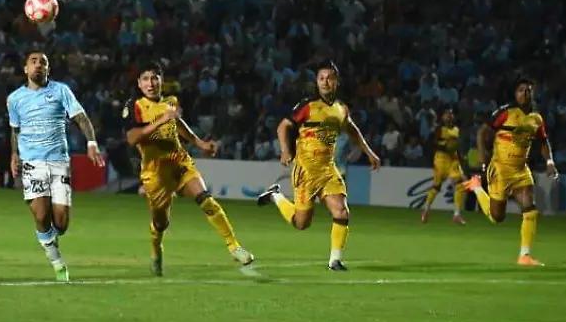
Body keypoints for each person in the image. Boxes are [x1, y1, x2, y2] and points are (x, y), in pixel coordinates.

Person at [123, 63, 254, 277]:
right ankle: (156, 249)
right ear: (139, 83)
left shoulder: (171, 102)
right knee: (161, 223)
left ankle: (234, 247)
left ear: (161, 80)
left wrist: (200, 143)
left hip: (180, 163)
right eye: (145, 79)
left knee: (206, 200)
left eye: (155, 78)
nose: (151, 83)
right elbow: (132, 138)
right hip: (155, 173)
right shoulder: (134, 106)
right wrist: (161, 120)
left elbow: (178, 123)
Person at [258, 60, 381, 271]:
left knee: (341, 212)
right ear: (316, 82)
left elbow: (353, 130)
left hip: (328, 171)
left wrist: (369, 152)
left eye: (329, 78)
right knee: (301, 223)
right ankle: (275, 195)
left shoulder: (341, 109)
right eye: (321, 78)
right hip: (305, 171)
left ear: (336, 82)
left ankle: (335, 260)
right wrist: (285, 150)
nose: (325, 82)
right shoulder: (308, 106)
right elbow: (283, 126)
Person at [7, 50, 104, 282]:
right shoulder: (14, 99)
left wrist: (92, 143)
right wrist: (14, 154)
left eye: (43, 62)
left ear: (48, 69)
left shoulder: (61, 91)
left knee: (61, 224)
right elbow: (15, 129)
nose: (38, 65)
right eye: (33, 61)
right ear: (26, 69)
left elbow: (81, 117)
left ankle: (51, 237)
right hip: (32, 163)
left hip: (59, 162)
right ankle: (57, 263)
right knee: (41, 216)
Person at [463, 77, 559, 266]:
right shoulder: (506, 112)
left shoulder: (536, 118)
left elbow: (543, 141)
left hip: (521, 170)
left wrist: (550, 162)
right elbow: (482, 132)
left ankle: (525, 255)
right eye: (521, 90)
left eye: (528, 90)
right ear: (515, 94)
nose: (525, 93)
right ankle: (476, 188)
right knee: (497, 217)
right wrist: (483, 158)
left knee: (530, 210)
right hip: (500, 169)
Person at [420, 106, 466, 224]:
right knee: (436, 187)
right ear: (442, 117)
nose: (449, 116)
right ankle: (426, 209)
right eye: (447, 114)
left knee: (460, 184)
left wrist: (461, 159)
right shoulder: (439, 129)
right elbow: (432, 144)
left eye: (451, 114)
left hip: (453, 159)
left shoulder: (456, 129)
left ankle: (456, 215)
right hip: (441, 159)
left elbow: (457, 147)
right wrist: (445, 146)